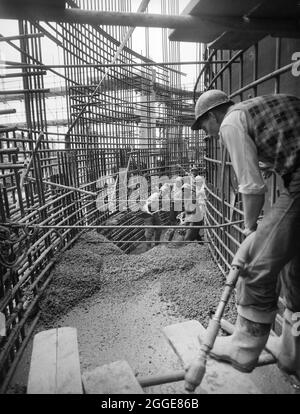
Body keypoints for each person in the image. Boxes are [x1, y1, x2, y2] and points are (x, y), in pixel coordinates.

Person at [189, 89, 300, 378]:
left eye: (204, 126)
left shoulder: (231, 122)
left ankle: (245, 346)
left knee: (257, 265)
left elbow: (252, 187)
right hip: (294, 178)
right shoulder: (257, 108)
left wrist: (251, 230)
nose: (208, 134)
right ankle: (291, 350)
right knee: (293, 267)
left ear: (213, 115)